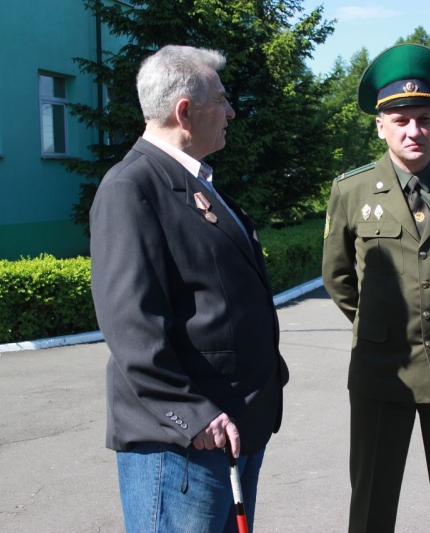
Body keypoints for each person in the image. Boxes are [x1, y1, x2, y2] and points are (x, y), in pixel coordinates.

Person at [90, 45, 288, 533]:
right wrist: (191, 414)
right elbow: (132, 327)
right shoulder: (130, 188)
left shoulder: (195, 182)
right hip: (183, 445)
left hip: (231, 431)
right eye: (221, 99)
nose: (230, 110)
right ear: (185, 111)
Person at [322, 43, 430, 533]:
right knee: (372, 502)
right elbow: (338, 277)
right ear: (381, 126)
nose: (413, 130)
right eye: (401, 121)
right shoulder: (351, 190)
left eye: (423, 117)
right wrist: (380, 328)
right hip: (381, 369)